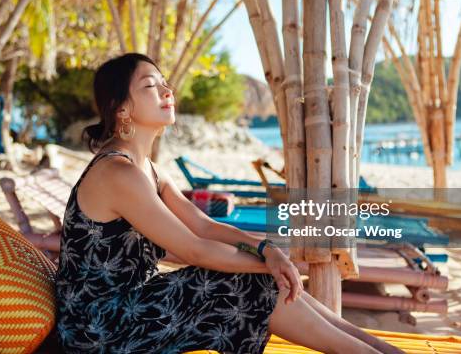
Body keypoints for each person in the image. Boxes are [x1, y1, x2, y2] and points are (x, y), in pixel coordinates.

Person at [54, 53, 404, 354]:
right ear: (121, 108)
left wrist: (267, 250)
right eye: (150, 86)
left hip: (130, 307)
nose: (166, 91)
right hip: (98, 330)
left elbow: (205, 226)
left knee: (260, 279)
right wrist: (272, 266)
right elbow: (196, 251)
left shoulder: (147, 169)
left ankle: (381, 349)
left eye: (164, 82)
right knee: (249, 283)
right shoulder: (118, 172)